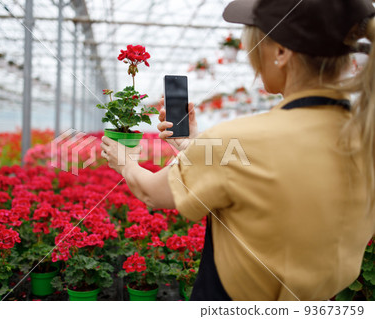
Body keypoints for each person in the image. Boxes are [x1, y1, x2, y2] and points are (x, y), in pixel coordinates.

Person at [100, 0, 375, 301]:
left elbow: (152, 192)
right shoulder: (364, 137)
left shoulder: (241, 140)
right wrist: (195, 147)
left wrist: (124, 162)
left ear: (281, 53)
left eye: (257, 43)